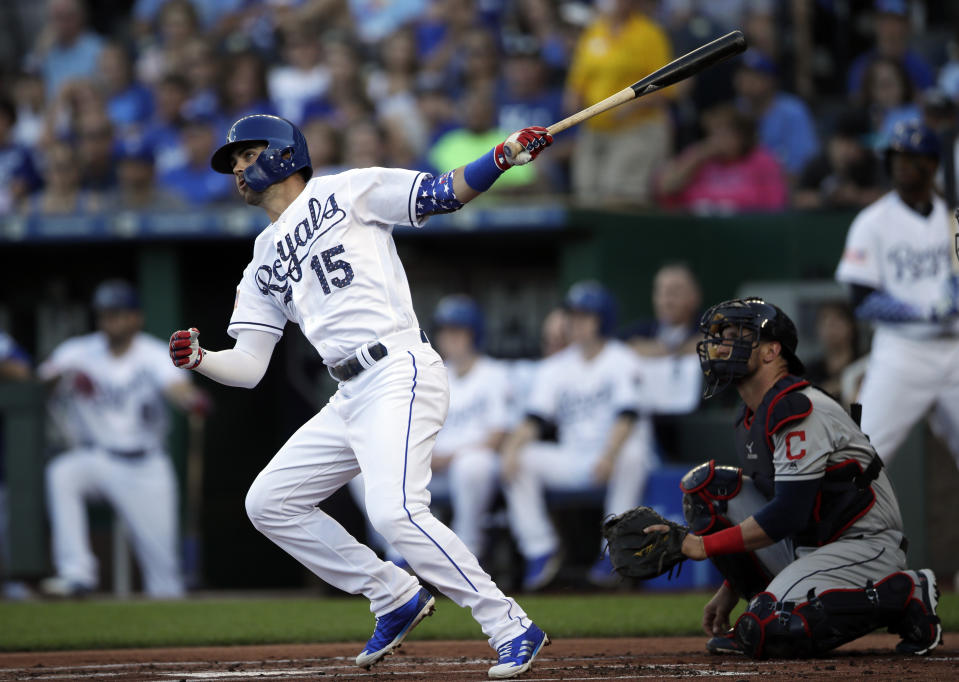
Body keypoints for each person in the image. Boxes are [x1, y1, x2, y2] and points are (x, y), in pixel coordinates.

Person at [168, 113, 554, 678]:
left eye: (247, 156)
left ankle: (510, 624)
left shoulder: (346, 189)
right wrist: (203, 360)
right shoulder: (261, 259)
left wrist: (499, 157)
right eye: (233, 163)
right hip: (348, 392)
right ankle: (393, 594)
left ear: (282, 153)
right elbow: (249, 366)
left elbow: (443, 193)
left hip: (397, 366)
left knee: (396, 511)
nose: (239, 170)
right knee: (269, 503)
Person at [656, 297, 941, 658]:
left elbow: (786, 514)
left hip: (863, 544)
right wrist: (731, 587)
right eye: (720, 336)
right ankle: (765, 601)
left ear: (771, 351)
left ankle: (906, 592)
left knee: (770, 629)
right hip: (811, 542)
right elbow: (774, 506)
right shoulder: (751, 414)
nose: (721, 345)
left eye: (735, 335)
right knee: (707, 490)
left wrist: (701, 546)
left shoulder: (798, 407)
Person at [38, 280, 207, 598]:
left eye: (118, 314)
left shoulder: (154, 354)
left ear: (135, 318)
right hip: (98, 458)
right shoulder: (78, 351)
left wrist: (191, 399)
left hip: (146, 464)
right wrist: (61, 378)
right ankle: (76, 574)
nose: (111, 321)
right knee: (62, 473)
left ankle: (172, 636)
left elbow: (177, 388)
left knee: (166, 581)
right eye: (105, 314)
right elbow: (40, 383)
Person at [499, 281, 655, 590]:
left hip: (614, 452)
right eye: (573, 315)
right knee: (522, 460)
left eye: (585, 316)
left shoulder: (622, 358)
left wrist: (609, 455)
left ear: (603, 320)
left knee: (634, 454)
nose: (576, 323)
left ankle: (615, 551)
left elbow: (628, 416)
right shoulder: (555, 367)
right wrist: (510, 449)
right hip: (575, 457)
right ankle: (540, 549)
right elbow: (534, 420)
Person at [835, 120, 959, 468]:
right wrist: (925, 311)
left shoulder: (954, 219)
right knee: (860, 461)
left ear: (932, 164)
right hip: (903, 353)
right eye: (896, 158)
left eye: (911, 158)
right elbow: (861, 300)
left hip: (955, 351)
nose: (901, 166)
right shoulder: (872, 222)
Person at [565, 0, 673, 205]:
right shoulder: (595, 31)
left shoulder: (649, 34)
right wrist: (573, 99)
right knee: (585, 192)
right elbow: (578, 79)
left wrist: (631, 106)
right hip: (594, 128)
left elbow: (665, 86)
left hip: (635, 127)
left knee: (619, 196)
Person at [655, 104, 788, 213]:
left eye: (725, 132)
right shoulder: (699, 154)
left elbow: (775, 205)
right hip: (697, 231)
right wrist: (698, 157)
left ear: (742, 136)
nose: (717, 139)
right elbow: (667, 188)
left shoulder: (762, 160)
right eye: (714, 132)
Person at [733, 50, 818, 180]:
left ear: (770, 80)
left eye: (753, 75)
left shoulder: (792, 111)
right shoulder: (735, 110)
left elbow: (804, 165)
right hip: (741, 188)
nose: (744, 80)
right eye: (742, 74)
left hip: (783, 189)